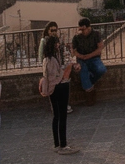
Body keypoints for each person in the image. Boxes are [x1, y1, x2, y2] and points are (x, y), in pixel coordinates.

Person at [40, 23, 78, 154]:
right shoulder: (52, 60)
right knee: (62, 116)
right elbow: (57, 76)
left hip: (53, 89)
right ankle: (63, 145)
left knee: (56, 116)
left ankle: (57, 144)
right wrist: (67, 69)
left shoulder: (47, 59)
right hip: (60, 87)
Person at [71, 18, 107, 104]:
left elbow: (100, 48)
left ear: (88, 28)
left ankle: (88, 82)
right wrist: (81, 56)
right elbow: (73, 51)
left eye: (84, 30)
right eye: (81, 30)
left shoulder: (96, 34)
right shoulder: (76, 37)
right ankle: (90, 95)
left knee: (101, 69)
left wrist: (89, 56)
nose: (82, 32)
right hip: (81, 59)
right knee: (83, 70)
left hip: (94, 57)